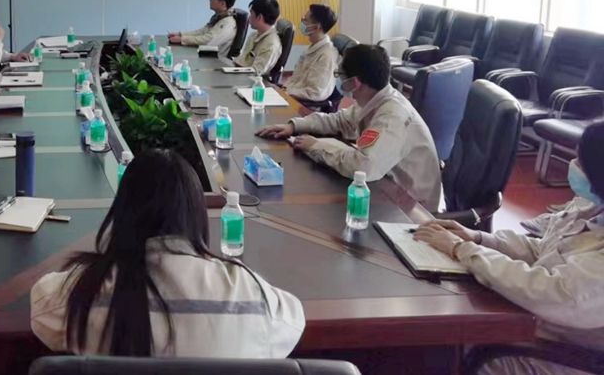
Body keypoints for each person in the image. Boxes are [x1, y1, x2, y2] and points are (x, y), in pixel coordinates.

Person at [30, 151, 304, 357]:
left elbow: (41, 302)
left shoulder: (84, 292)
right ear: (196, 214)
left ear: (124, 213)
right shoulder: (248, 294)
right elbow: (293, 317)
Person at [414, 121, 604, 375]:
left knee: (445, 351)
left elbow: (555, 292)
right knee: (438, 336)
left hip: (566, 355)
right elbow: (544, 250)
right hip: (535, 327)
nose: (574, 166)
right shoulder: (592, 207)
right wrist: (478, 239)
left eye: (581, 163)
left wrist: (463, 250)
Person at [257, 44, 441, 211]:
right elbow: (339, 121)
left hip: (412, 208)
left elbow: (363, 166)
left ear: (354, 82)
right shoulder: (375, 98)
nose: (340, 81)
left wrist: (316, 146)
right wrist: (294, 126)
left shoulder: (392, 117)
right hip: (385, 185)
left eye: (341, 76)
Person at [283, 4, 340, 103]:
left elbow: (315, 93)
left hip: (305, 105)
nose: (302, 22)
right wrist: (284, 90)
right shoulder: (312, 48)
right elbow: (296, 78)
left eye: (305, 20)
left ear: (317, 27)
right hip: (293, 96)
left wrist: (288, 93)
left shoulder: (326, 56)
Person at [168, 0, 238, 58]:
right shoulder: (218, 17)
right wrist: (180, 34)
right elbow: (202, 31)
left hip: (216, 60)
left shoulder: (227, 23)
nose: (210, 0)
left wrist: (182, 39)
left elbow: (208, 40)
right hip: (207, 55)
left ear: (223, 3)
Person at [232, 0, 282, 76]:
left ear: (259, 17)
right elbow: (243, 59)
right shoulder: (254, 35)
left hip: (251, 80)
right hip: (240, 73)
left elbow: (256, 72)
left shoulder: (271, 44)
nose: (249, 17)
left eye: (251, 13)